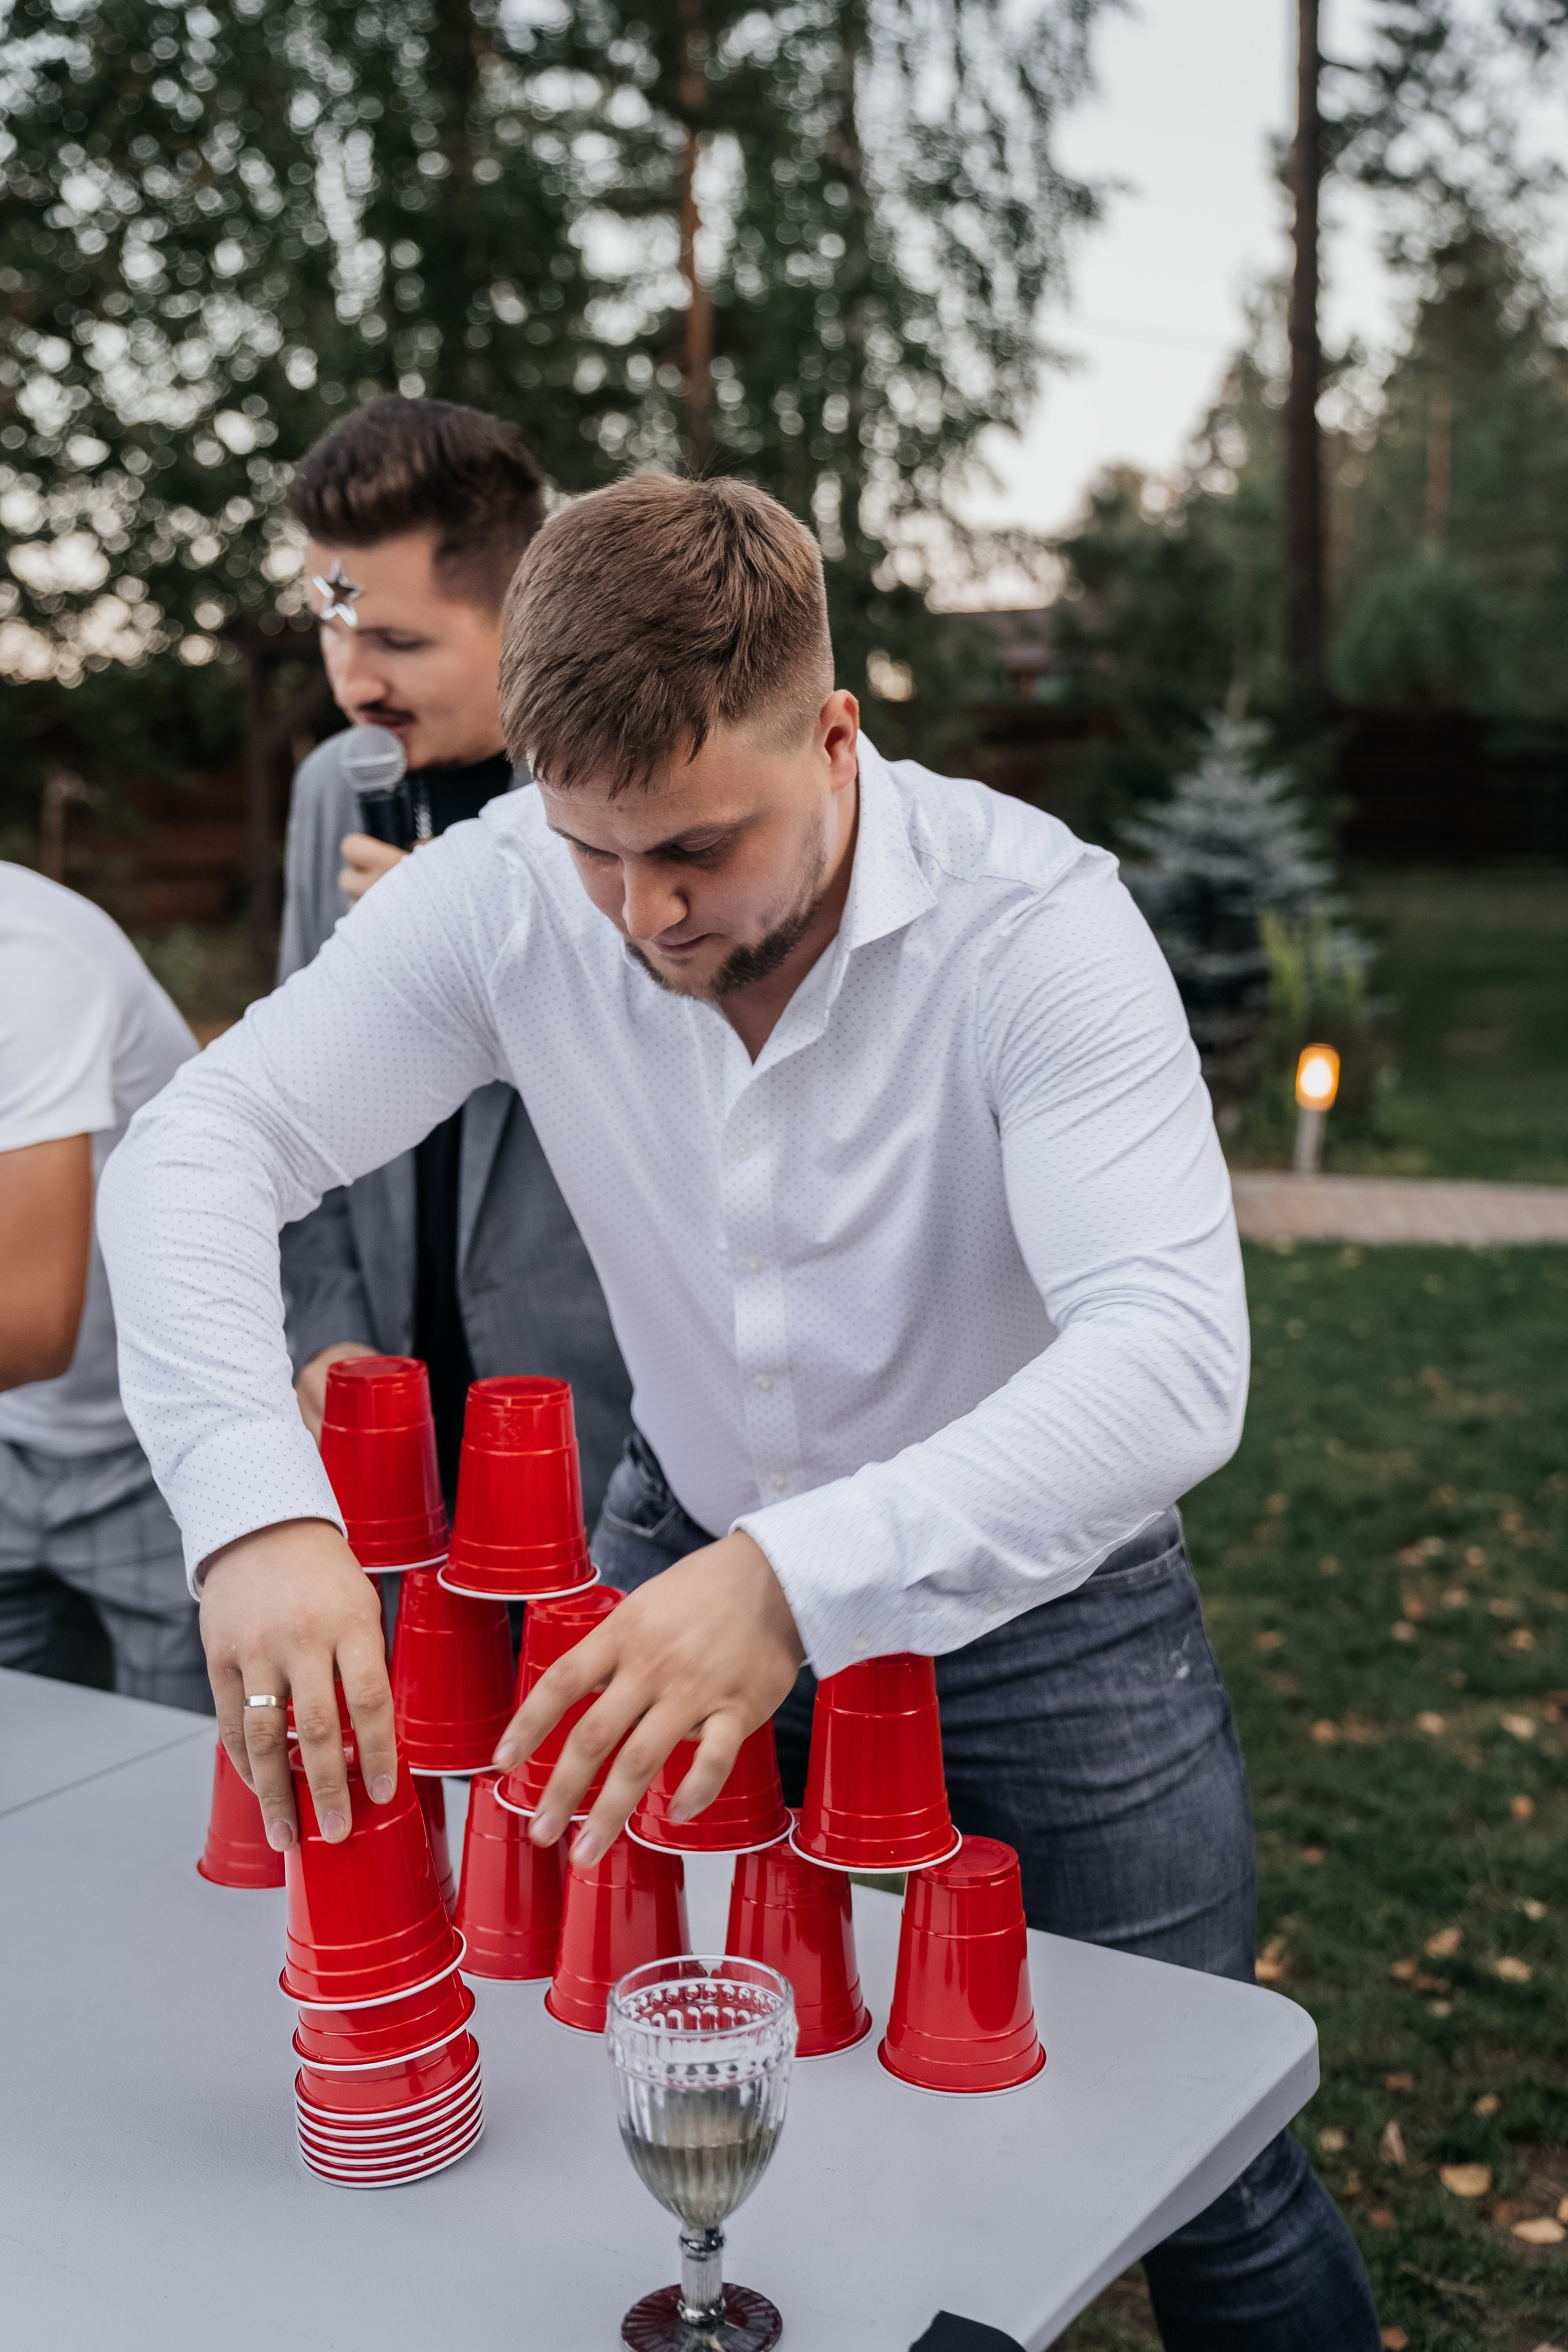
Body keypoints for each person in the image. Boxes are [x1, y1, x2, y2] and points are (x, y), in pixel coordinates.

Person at [101, 474, 1379, 2348]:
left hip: (1049, 1624)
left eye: (698, 847)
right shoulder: (519, 894)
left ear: (837, 734)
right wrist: (254, 1506)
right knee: (640, 2081)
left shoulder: (1038, 927)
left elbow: (1173, 1357)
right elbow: (208, 1142)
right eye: (597, 850)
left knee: (1206, 2164)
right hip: (669, 1553)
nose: (645, 914)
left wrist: (796, 1581)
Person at [274, 395, 631, 1513]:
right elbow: (292, 1097)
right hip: (389, 1422)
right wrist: (326, 1329)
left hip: (599, 1422)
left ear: (520, 615)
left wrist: (498, 957)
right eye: (333, 623)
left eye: (397, 640)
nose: (352, 682)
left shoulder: (630, 778)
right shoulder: (334, 787)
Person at [0, 862, 208, 1712]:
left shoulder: (29, 957)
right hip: (12, 1443)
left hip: (161, 1450)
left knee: (184, 1795)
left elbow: (30, 1325)